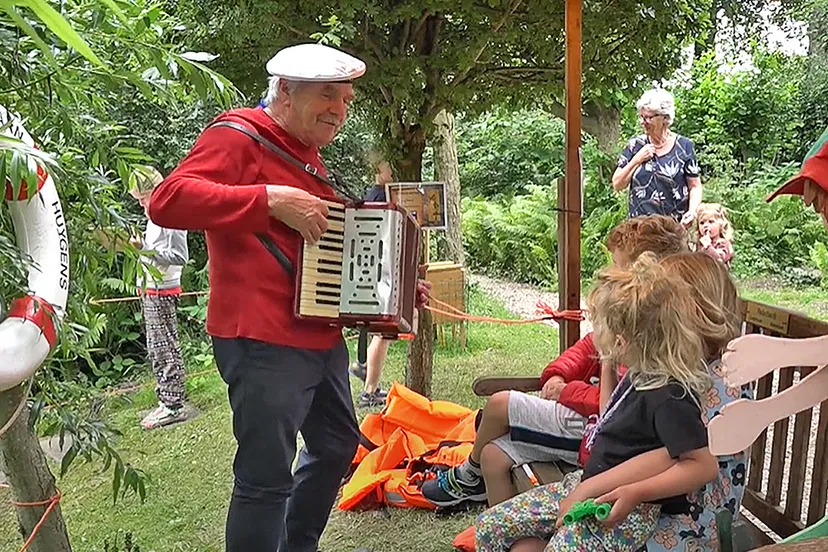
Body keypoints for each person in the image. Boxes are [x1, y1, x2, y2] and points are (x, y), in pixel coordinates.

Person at [148, 43, 429, 552]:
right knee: (265, 478)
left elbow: (327, 252)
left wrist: (397, 287)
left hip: (317, 337)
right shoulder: (237, 135)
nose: (339, 110)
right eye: (327, 96)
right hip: (259, 338)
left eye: (344, 100)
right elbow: (169, 200)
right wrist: (269, 200)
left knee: (336, 443)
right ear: (284, 91)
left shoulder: (306, 154)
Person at [422, 215, 689, 509]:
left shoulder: (652, 338)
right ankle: (495, 511)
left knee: (500, 404)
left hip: (596, 436)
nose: (611, 272)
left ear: (645, 271)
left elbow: (617, 408)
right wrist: (559, 373)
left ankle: (469, 478)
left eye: (619, 265)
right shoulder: (632, 317)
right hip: (590, 423)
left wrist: (567, 392)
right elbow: (589, 346)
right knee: (493, 455)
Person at [474, 254, 720, 552]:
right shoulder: (640, 373)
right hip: (587, 484)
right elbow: (608, 419)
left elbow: (702, 465)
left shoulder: (669, 394)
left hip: (621, 511)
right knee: (490, 526)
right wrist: (607, 365)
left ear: (621, 340)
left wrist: (634, 492)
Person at [128, 165, 190, 430]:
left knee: (165, 346)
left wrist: (145, 248)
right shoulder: (154, 216)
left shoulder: (173, 215)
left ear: (155, 190)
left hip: (164, 289)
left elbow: (180, 257)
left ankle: (173, 404)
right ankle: (166, 400)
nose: (142, 205)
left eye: (143, 199)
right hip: (150, 287)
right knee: (156, 346)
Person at [612, 89, 702, 226]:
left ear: (665, 117)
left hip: (675, 230)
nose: (643, 122)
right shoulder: (635, 146)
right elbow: (617, 184)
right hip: (640, 229)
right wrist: (637, 159)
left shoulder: (684, 146)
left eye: (649, 117)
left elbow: (694, 186)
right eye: (641, 117)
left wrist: (692, 211)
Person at [349, 156, 394, 407]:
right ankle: (369, 391)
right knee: (383, 333)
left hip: (375, 270)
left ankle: (364, 368)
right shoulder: (378, 198)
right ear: (378, 168)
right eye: (390, 166)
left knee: (380, 332)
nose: (394, 171)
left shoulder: (375, 194)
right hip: (378, 271)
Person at [693, 202, 734, 267]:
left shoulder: (724, 244)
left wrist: (708, 247)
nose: (705, 225)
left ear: (721, 225)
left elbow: (719, 260)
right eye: (702, 223)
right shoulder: (699, 244)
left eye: (711, 222)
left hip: (718, 275)